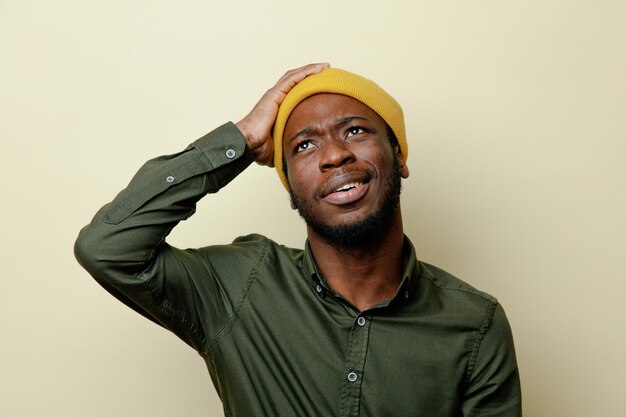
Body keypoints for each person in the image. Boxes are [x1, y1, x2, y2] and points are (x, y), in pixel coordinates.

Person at [74, 63, 522, 416]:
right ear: (290, 187)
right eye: (304, 145)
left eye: (355, 130)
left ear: (398, 156)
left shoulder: (475, 322)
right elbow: (107, 247)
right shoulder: (238, 286)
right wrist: (243, 140)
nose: (334, 154)